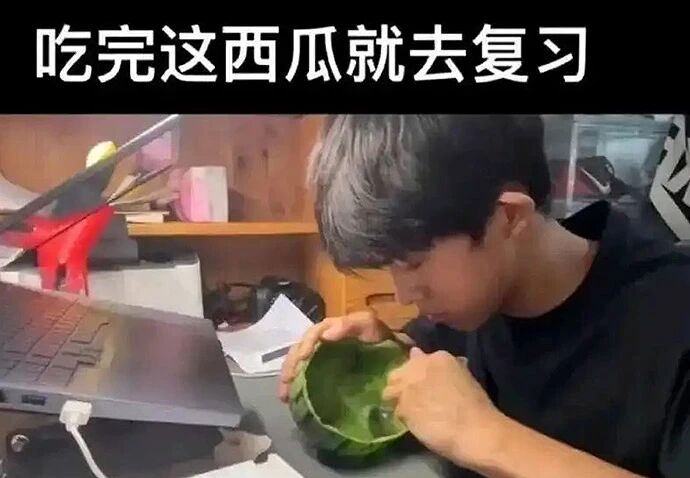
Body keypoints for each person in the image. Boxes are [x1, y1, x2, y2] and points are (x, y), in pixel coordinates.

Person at [278, 115, 690, 477]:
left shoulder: (672, 318)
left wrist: (485, 436)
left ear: (509, 217)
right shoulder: (473, 305)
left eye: (415, 263)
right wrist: (390, 355)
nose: (403, 295)